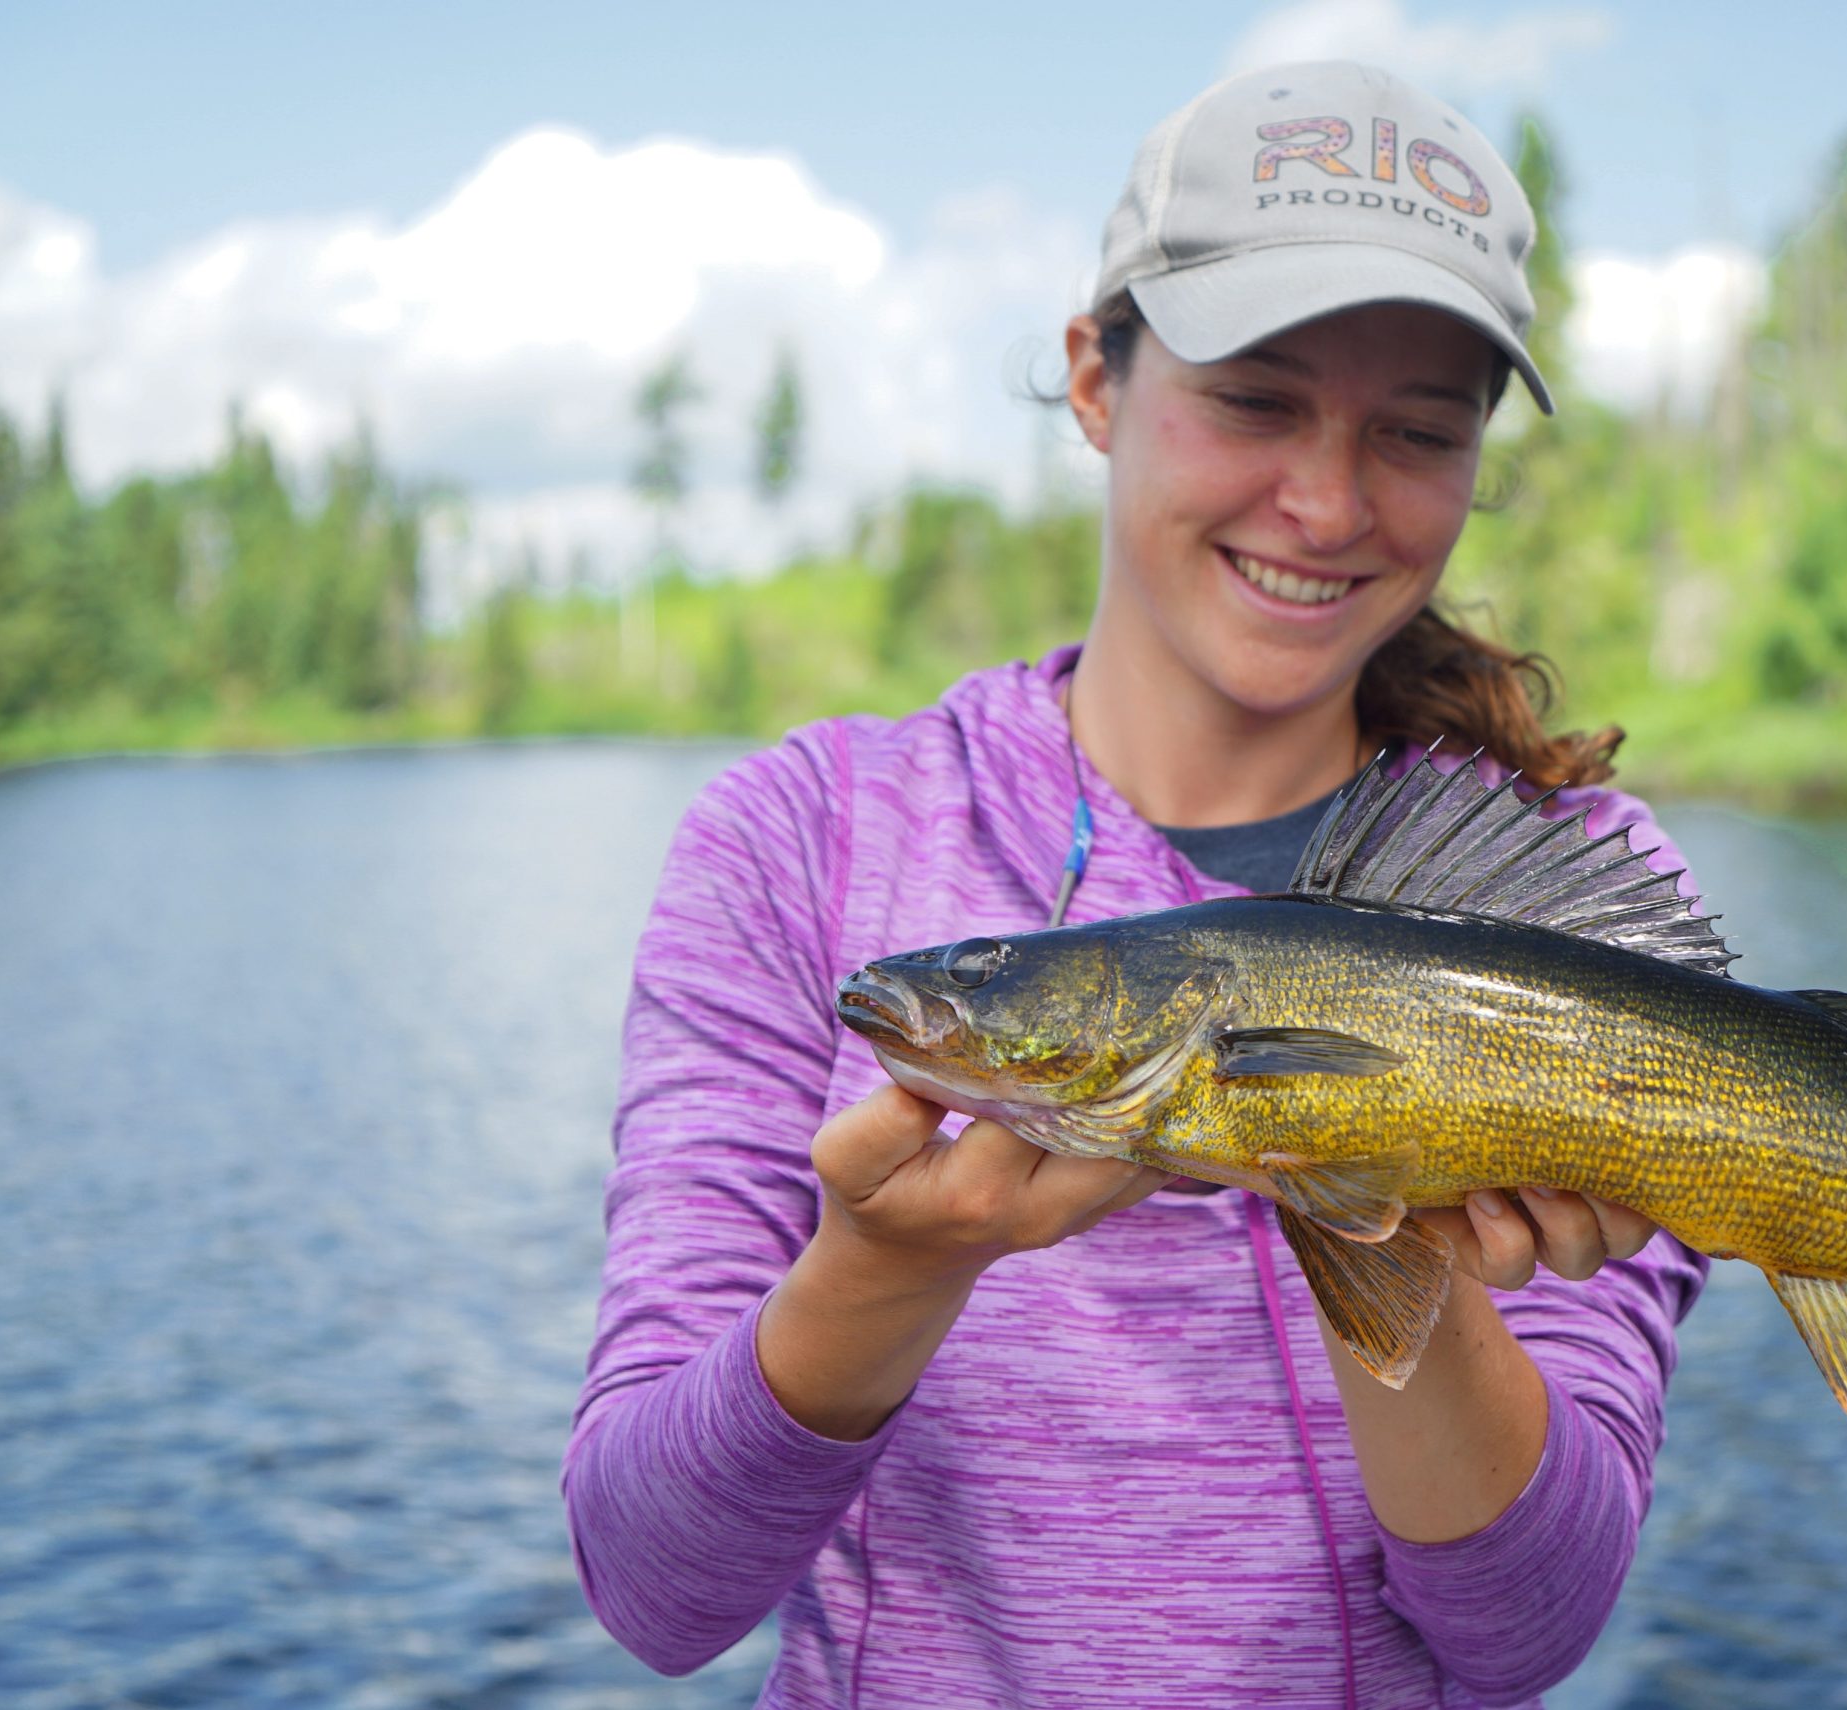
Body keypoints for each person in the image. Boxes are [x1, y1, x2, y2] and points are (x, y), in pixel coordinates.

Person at [564, 60, 1710, 1710]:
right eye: (1254, 398)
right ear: (1096, 376)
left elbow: (1524, 1637)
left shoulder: (1580, 894)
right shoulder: (801, 839)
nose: (1325, 501)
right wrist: (887, 1269)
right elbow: (656, 1587)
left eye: (1417, 431)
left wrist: (1413, 1250)